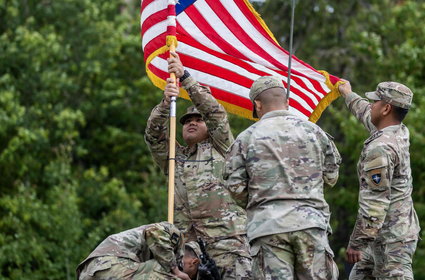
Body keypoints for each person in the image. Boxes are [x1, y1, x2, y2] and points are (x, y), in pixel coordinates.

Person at [145, 52, 251, 279]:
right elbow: (153, 136)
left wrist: (185, 78)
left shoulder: (223, 147)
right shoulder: (175, 157)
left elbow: (216, 114)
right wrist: (165, 104)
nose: (192, 123)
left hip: (227, 243)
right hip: (188, 249)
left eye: (198, 120)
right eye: (187, 122)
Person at [224, 76, 341, 279]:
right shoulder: (315, 132)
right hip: (310, 224)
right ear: (287, 102)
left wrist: (260, 202)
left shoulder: (246, 138)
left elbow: (235, 187)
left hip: (268, 227)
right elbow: (331, 176)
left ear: (257, 105)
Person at [339, 81, 420, 279]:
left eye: (375, 101)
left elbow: (375, 201)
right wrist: (347, 93)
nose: (370, 104)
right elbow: (366, 112)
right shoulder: (399, 131)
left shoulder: (381, 148)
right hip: (385, 233)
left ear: (386, 108)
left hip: (392, 239)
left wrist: (357, 242)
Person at [76, 222, 191, 280]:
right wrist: (176, 271)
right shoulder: (175, 235)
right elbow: (153, 231)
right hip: (110, 265)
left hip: (89, 273)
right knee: (166, 272)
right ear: (193, 261)